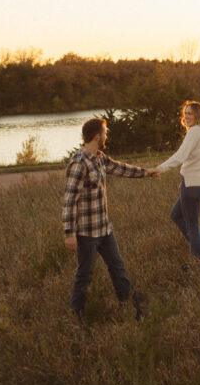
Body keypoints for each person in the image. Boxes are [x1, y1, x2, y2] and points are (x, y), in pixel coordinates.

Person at [62, 117, 159, 323]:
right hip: (86, 234)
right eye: (105, 133)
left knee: (118, 270)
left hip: (105, 229)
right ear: (97, 137)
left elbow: (120, 168)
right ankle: (76, 317)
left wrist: (146, 173)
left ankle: (135, 315)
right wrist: (69, 234)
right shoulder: (79, 163)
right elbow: (69, 200)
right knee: (84, 276)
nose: (107, 136)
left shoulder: (99, 157)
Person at [150, 100, 200, 261]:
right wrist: (190, 180)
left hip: (194, 186)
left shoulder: (195, 131)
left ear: (198, 115)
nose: (186, 116)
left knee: (192, 226)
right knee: (176, 215)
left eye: (190, 113)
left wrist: (160, 168)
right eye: (185, 113)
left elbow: (181, 156)